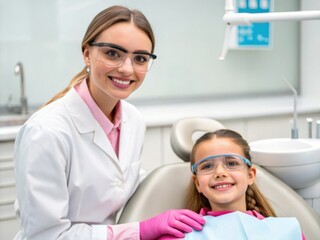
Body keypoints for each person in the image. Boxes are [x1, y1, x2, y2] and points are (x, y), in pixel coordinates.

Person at [13, 6, 205, 240]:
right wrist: (140, 231)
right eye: (113, 53)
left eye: (140, 58)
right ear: (87, 54)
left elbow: (116, 182)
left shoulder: (133, 120)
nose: (127, 69)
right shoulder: (46, 131)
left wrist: (212, 178)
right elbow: (45, 236)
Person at [184, 129, 305, 239]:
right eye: (207, 166)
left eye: (231, 164)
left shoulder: (287, 232)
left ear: (250, 175)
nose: (220, 173)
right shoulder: (183, 234)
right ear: (197, 183)